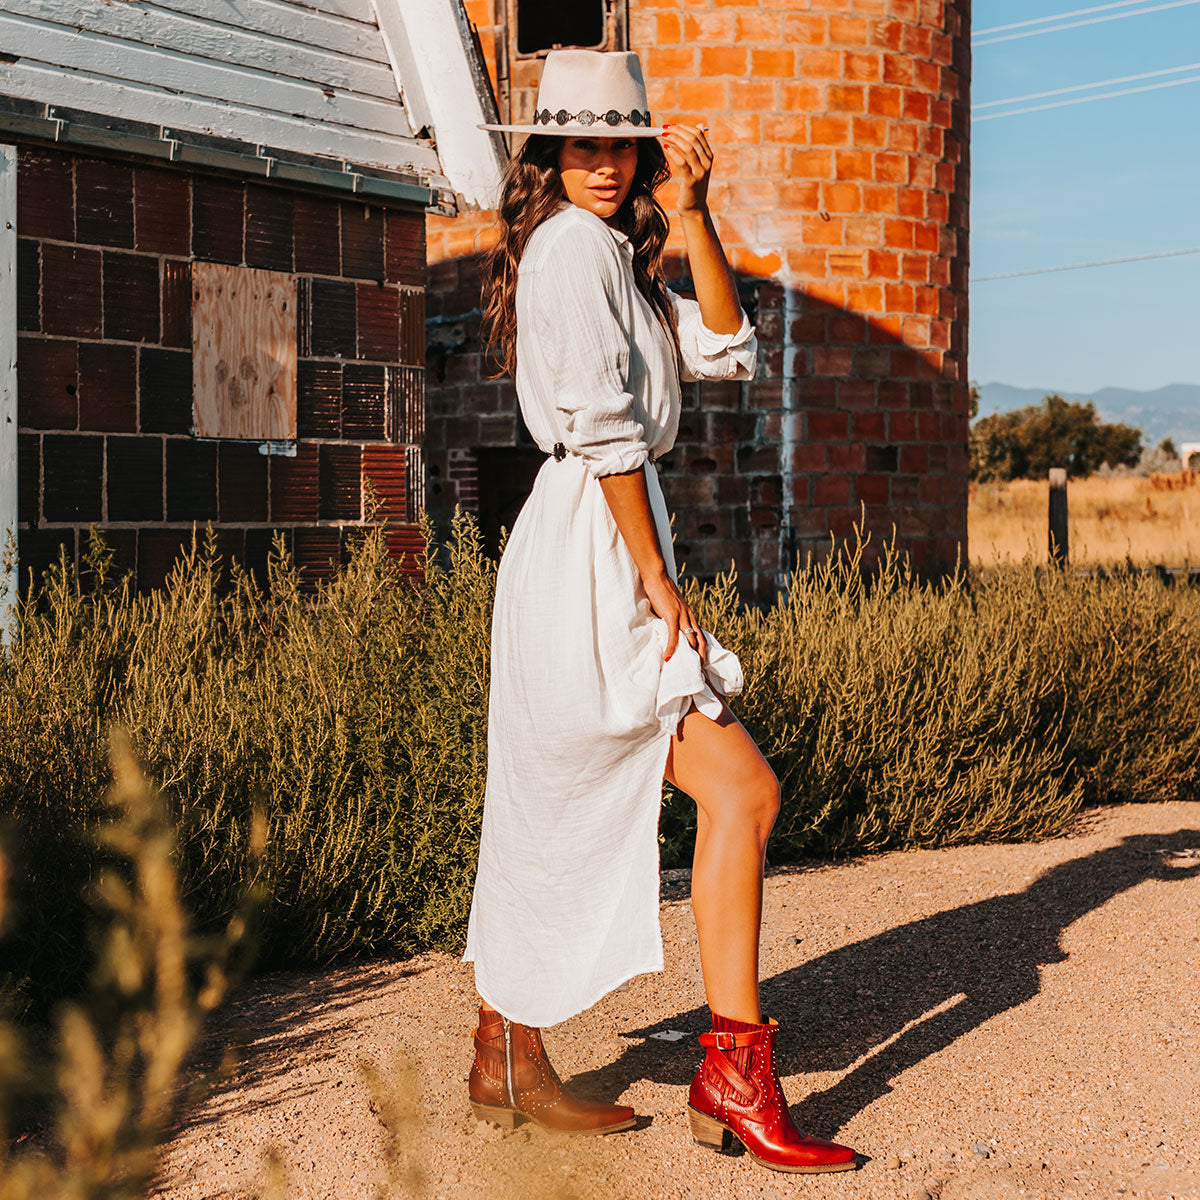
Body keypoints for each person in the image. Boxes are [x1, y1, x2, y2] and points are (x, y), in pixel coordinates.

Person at [461, 48, 858, 1174]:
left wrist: (693, 212)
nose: (602, 163)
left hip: (604, 544)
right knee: (718, 788)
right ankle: (722, 1072)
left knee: (569, 794)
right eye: (581, 143)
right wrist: (654, 576)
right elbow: (601, 429)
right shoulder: (567, 250)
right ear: (550, 153)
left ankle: (513, 1049)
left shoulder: (619, 261)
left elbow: (728, 344)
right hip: (595, 548)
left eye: (620, 144)